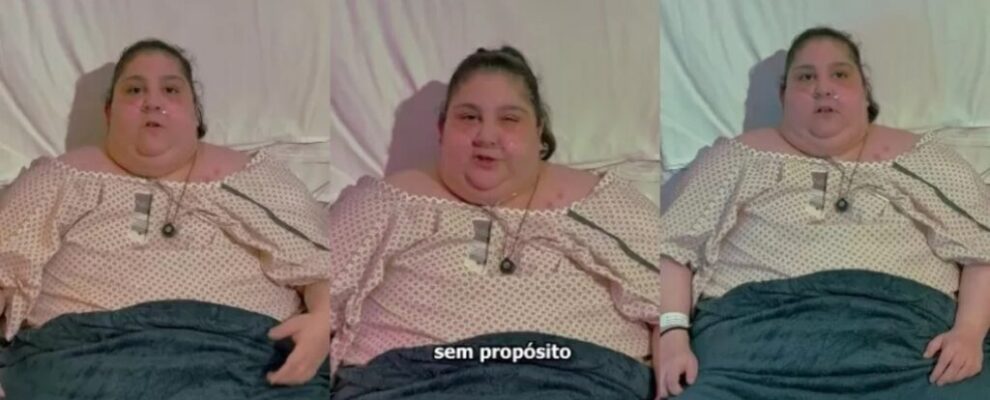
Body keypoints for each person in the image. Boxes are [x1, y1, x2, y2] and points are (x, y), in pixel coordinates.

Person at [657, 26, 990, 399]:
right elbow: (672, 250)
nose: (822, 88)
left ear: (864, 90)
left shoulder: (923, 157)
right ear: (783, 94)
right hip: (752, 349)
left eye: (840, 74)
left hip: (908, 347)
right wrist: (673, 335)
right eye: (805, 77)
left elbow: (984, 249)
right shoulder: (735, 158)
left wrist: (969, 333)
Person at [0, 39, 331, 398]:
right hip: (82, 361)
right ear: (109, 113)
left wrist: (321, 323)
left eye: (171, 90)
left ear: (195, 113)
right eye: (134, 90)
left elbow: (321, 266)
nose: (152, 101)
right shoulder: (60, 178)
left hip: (244, 360)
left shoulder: (254, 176)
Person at [327, 46, 662, 399]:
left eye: (509, 119)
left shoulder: (602, 202)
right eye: (468, 117)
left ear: (539, 130)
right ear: (441, 129)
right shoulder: (387, 202)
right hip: (412, 383)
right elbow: (318, 299)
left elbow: (670, 307)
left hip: (577, 380)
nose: (486, 136)